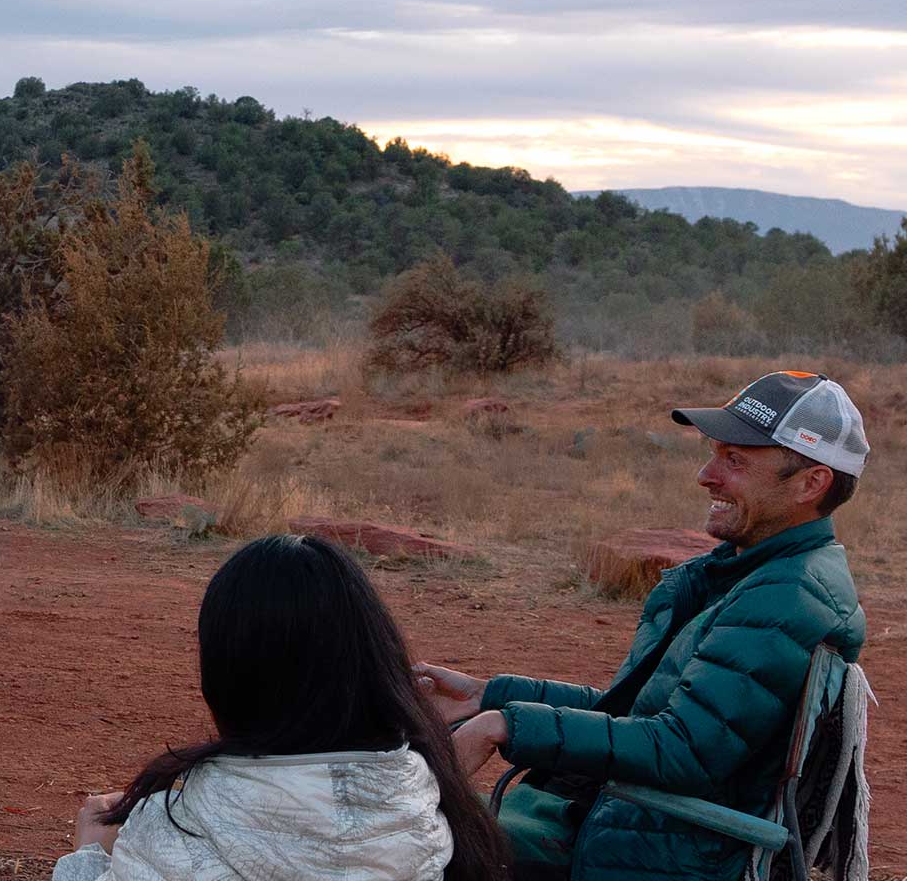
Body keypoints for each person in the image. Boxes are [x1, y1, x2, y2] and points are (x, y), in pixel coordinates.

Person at [417, 370, 869, 880]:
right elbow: (645, 715)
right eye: (714, 452)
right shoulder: (754, 576)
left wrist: (505, 724)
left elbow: (680, 750)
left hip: (659, 851)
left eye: (735, 460)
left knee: (399, 846)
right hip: (634, 823)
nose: (706, 475)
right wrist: (489, 695)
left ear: (811, 483)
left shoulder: (786, 597)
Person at [54, 534, 509, 881]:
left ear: (228, 671)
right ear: (374, 658)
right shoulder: (427, 803)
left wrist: (87, 856)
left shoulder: (177, 825)